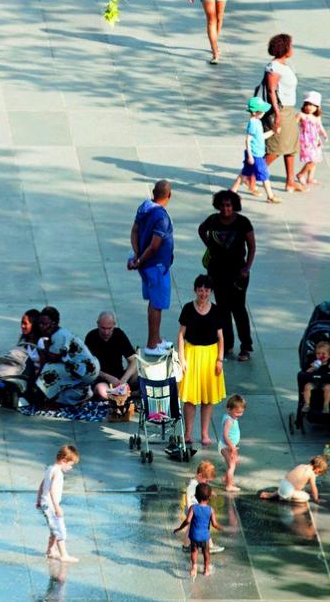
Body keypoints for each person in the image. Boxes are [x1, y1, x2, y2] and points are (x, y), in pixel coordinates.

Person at [196, 189, 256, 360]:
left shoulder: (243, 223)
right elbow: (201, 229)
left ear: (234, 206)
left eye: (228, 205)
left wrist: (247, 268)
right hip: (216, 271)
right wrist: (209, 245)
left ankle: (245, 346)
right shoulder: (213, 220)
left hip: (238, 272)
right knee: (222, 309)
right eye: (222, 205)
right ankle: (227, 344)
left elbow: (251, 246)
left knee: (238, 309)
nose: (225, 209)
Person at [176, 276, 228, 447]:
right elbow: (181, 335)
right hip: (192, 354)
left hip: (210, 356)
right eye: (200, 290)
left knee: (207, 398)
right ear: (195, 290)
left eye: (206, 290)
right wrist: (182, 358)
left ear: (210, 292)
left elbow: (220, 337)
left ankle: (205, 434)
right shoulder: (188, 309)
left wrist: (219, 360)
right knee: (190, 399)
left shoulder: (216, 310)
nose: (203, 293)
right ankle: (188, 433)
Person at [127, 179, 176, 347]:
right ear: (169, 195)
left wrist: (137, 254)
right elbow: (155, 246)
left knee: (153, 303)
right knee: (157, 304)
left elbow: (134, 231)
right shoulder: (161, 217)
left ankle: (155, 338)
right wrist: (140, 259)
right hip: (156, 267)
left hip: (146, 265)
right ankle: (153, 341)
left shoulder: (144, 207)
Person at [263, 33, 303, 191]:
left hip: (289, 109)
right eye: (291, 46)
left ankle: (290, 181)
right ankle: (250, 175)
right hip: (279, 110)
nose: (292, 48)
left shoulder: (285, 65)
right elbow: (271, 91)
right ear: (284, 48)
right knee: (277, 147)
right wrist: (278, 115)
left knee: (291, 145)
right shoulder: (274, 68)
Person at [35, 444, 79, 563]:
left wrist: (39, 499)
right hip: (51, 505)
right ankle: (64, 555)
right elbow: (52, 490)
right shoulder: (58, 472)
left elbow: (42, 484)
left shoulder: (50, 468)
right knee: (60, 529)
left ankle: (50, 551)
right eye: (70, 465)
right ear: (64, 460)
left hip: (45, 503)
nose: (70, 468)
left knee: (53, 529)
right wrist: (57, 507)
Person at [84, 312, 136, 400]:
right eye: (103, 328)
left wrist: (124, 380)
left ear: (114, 325)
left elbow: (133, 360)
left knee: (139, 373)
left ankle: (121, 393)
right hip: (101, 378)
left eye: (109, 328)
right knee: (101, 390)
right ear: (98, 324)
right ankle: (125, 394)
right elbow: (88, 367)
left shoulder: (119, 334)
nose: (106, 332)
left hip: (119, 376)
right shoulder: (91, 337)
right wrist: (107, 377)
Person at [235, 98, 277, 203]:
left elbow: (260, 137)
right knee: (264, 175)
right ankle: (270, 196)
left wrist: (273, 132)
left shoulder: (257, 122)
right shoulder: (253, 123)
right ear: (255, 112)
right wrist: (250, 155)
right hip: (255, 155)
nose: (263, 113)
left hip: (257, 153)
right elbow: (248, 140)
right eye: (262, 111)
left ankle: (232, 192)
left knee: (244, 174)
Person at [175, 481, 215, 576]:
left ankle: (194, 567)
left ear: (196, 496)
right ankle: (206, 569)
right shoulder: (210, 509)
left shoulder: (193, 508)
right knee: (206, 553)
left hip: (194, 535)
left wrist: (179, 528)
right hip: (205, 537)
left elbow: (187, 521)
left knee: (194, 551)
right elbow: (214, 523)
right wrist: (221, 527)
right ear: (209, 497)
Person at [259, 455, 328, 505]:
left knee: (289, 486)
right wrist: (316, 499)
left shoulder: (301, 465)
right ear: (317, 468)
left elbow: (291, 478)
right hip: (287, 492)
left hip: (283, 484)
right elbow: (314, 488)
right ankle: (283, 498)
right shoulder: (311, 474)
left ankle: (272, 494)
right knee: (306, 497)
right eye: (319, 472)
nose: (318, 474)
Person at [297, 92, 327, 185]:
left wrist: (324, 134)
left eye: (314, 106)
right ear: (305, 104)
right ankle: (301, 174)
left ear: (317, 107)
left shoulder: (316, 116)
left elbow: (320, 126)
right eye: (309, 104)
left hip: (316, 141)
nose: (311, 107)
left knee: (316, 159)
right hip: (306, 141)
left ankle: (310, 178)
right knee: (312, 160)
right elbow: (292, 125)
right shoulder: (301, 115)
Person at [221, 395, 245, 492]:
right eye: (237, 412)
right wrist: (232, 447)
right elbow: (225, 435)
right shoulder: (229, 421)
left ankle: (226, 478)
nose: (239, 414)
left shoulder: (232, 418)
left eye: (241, 412)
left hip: (230, 446)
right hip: (227, 446)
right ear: (229, 409)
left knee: (234, 463)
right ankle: (229, 485)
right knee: (232, 466)